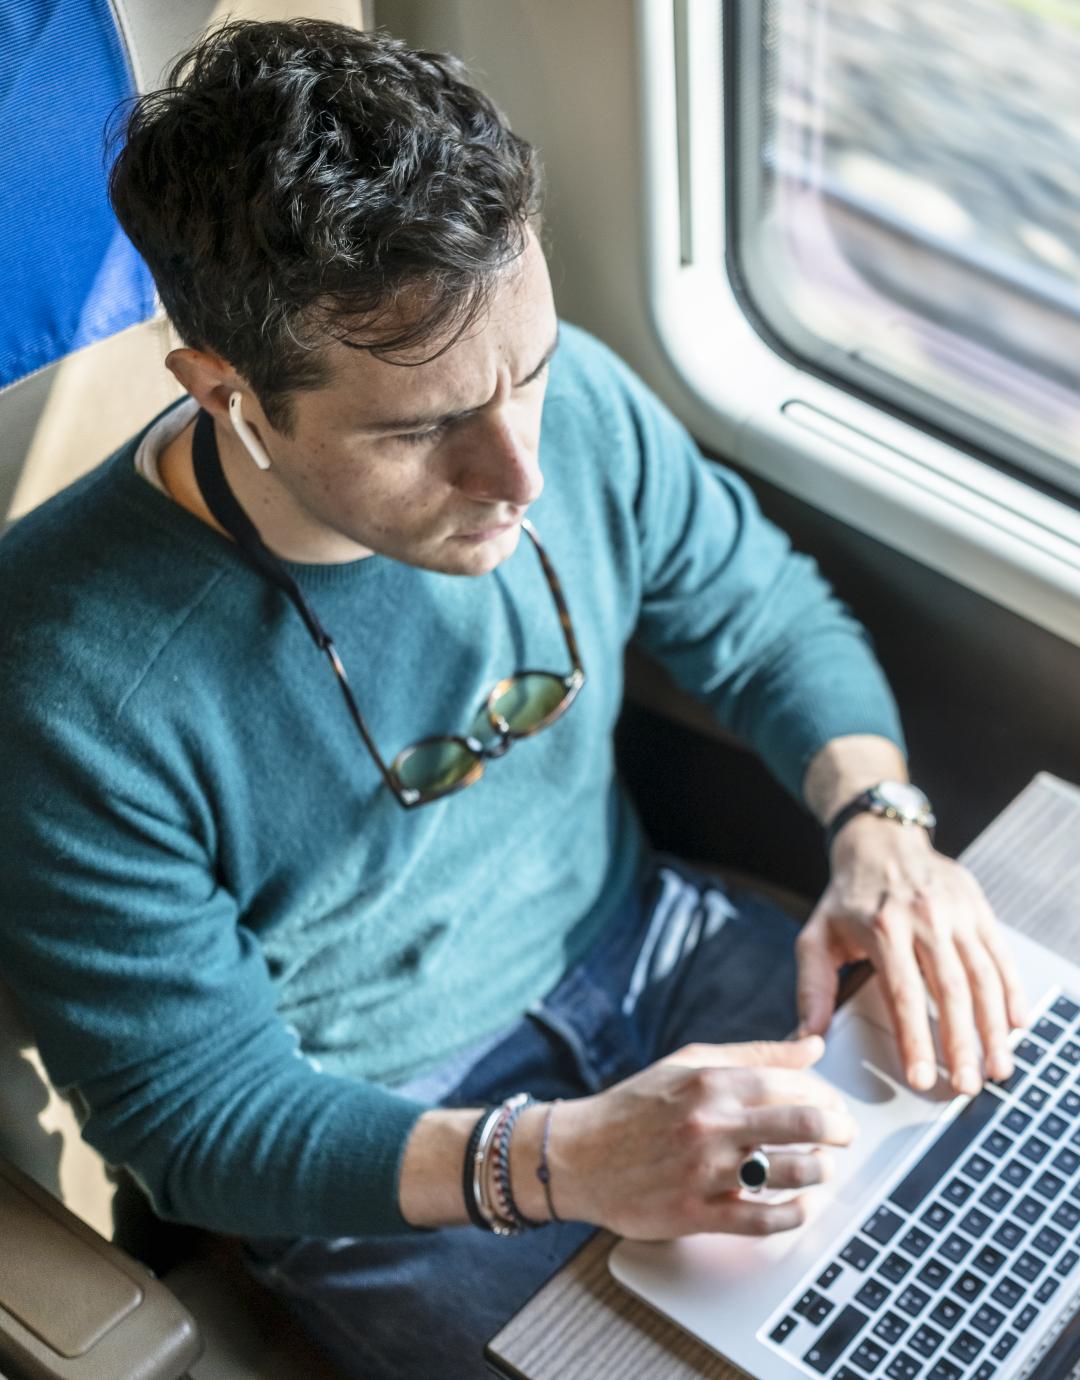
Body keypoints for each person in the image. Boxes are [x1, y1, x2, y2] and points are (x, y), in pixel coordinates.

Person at [0, 19, 1026, 1378]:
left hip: (654, 947)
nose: (519, 471)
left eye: (526, 373)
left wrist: (880, 824)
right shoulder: (72, 675)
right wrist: (561, 1159)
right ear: (228, 394)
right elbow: (194, 1119)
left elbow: (760, 615)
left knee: (1001, 1189)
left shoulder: (578, 405)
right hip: (377, 1135)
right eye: (421, 430)